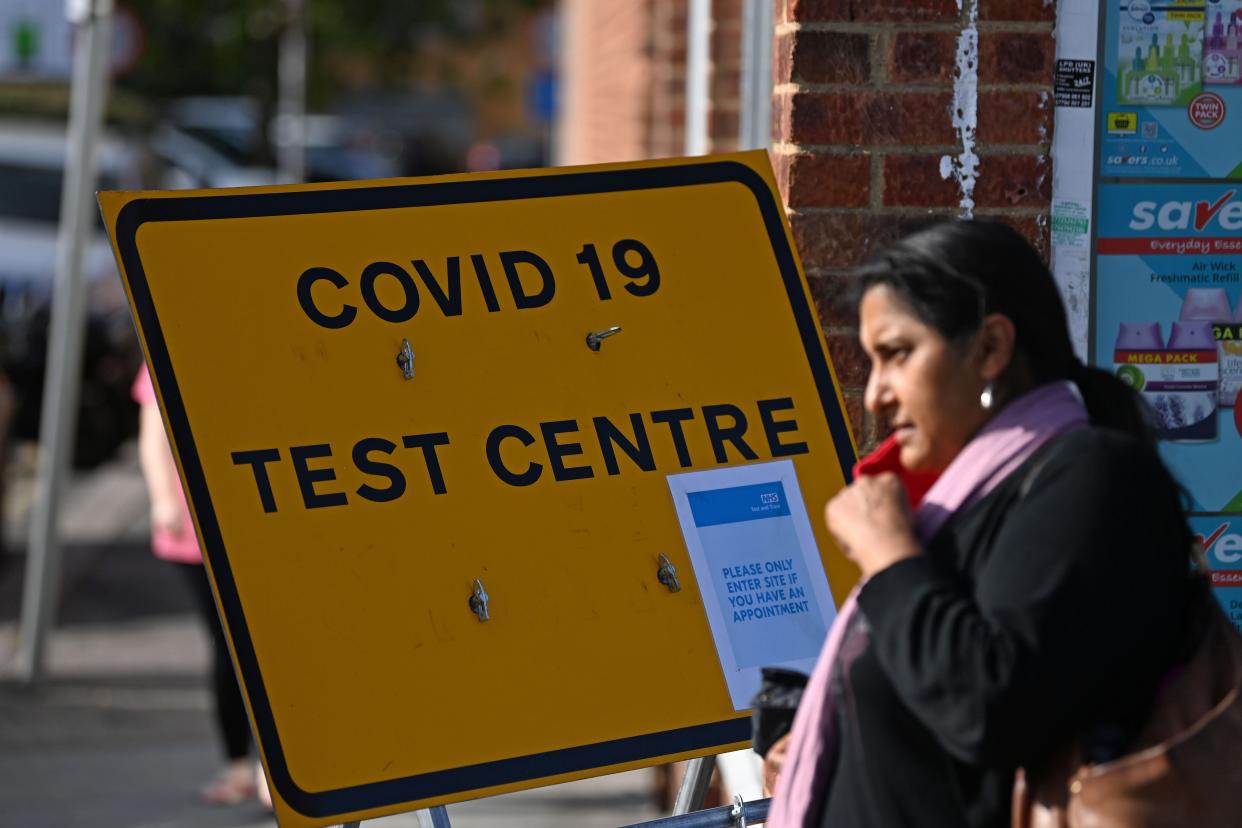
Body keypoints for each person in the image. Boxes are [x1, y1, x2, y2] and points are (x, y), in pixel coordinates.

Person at [765, 218, 1196, 828]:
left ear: (991, 348)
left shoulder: (1093, 481)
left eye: (897, 355)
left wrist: (889, 555)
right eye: (872, 362)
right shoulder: (962, 507)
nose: (875, 396)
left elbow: (990, 707)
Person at [134, 367, 264, 806]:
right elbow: (154, 438)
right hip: (193, 529)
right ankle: (241, 767)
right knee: (229, 647)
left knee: (265, 647)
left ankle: (272, 768)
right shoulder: (165, 337)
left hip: (250, 520)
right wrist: (163, 499)